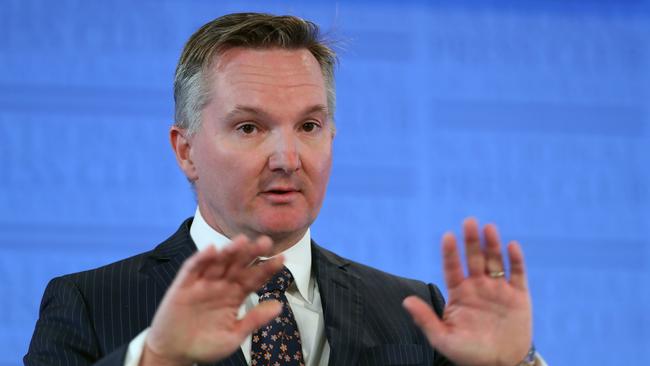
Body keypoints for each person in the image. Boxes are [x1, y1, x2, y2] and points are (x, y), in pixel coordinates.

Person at [25, 13, 546, 366]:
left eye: (309, 126)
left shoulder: (415, 313)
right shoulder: (90, 304)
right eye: (250, 127)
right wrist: (159, 358)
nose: (288, 158)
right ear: (185, 151)